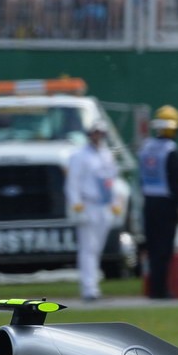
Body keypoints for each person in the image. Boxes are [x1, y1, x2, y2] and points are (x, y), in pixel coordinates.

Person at [65, 120, 119, 302]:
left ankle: (93, 283)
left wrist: (115, 201)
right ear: (90, 134)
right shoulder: (80, 156)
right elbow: (73, 183)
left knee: (98, 248)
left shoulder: (107, 154)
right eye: (95, 133)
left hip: (104, 205)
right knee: (88, 248)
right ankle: (89, 288)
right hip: (88, 204)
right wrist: (77, 204)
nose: (98, 136)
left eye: (101, 133)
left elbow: (112, 180)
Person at [138, 105, 178, 300]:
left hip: (149, 202)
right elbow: (176, 182)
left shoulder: (146, 147)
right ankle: (160, 290)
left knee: (152, 247)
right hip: (166, 204)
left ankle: (153, 288)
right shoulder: (171, 150)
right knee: (164, 249)